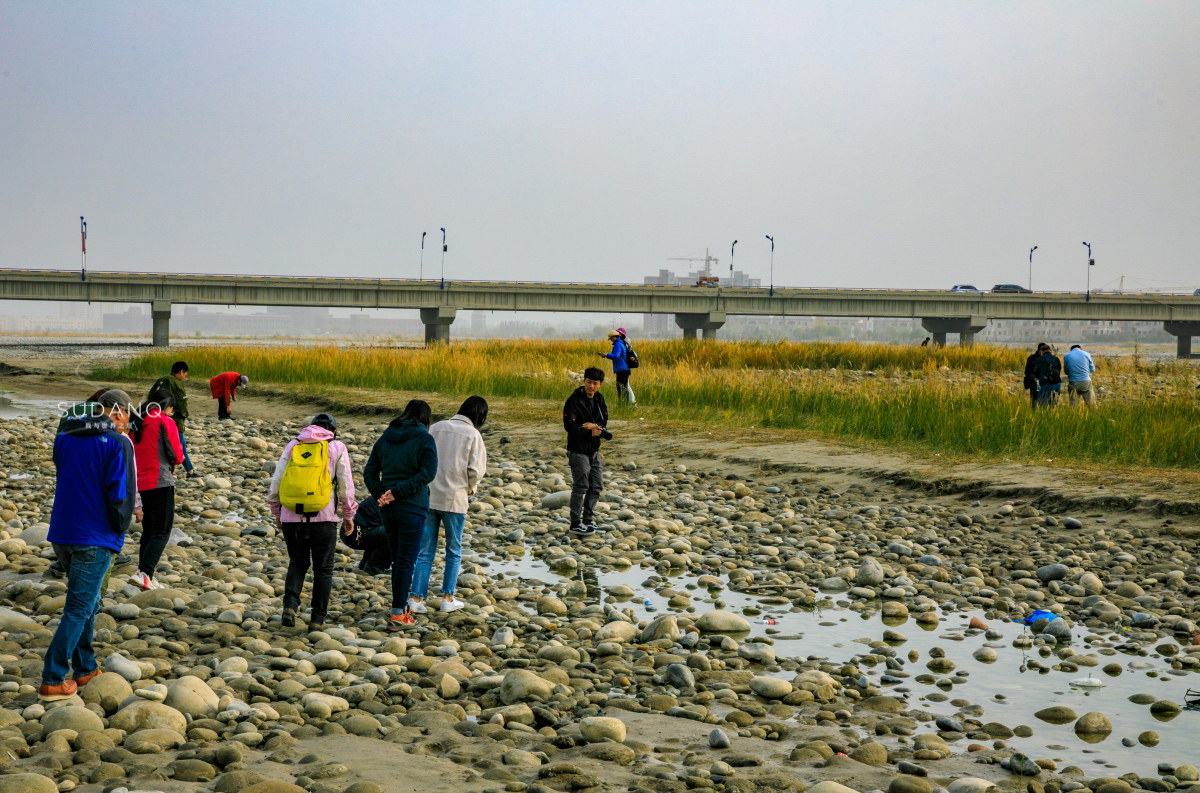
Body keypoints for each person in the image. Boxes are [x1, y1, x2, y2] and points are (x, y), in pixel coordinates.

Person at [40, 390, 139, 701]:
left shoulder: (64, 437)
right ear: (119, 412)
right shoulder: (118, 442)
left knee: (88, 602)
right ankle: (53, 677)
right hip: (94, 535)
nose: (128, 425)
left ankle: (85, 667)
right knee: (79, 607)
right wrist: (120, 527)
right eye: (128, 418)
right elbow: (120, 491)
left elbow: (64, 471)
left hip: (62, 532)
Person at [267, 413, 356, 631]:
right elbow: (345, 486)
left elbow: (277, 481)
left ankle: (290, 607)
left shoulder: (293, 445)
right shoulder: (336, 447)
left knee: (297, 562)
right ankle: (317, 620)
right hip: (323, 518)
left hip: (291, 516)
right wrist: (348, 515)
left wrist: (277, 512)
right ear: (333, 431)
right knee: (323, 569)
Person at [410, 396, 488, 615]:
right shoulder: (473, 434)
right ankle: (447, 598)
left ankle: (415, 599)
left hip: (429, 496)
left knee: (425, 551)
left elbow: (421, 458)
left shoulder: (435, 427)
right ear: (480, 415)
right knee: (453, 551)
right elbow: (476, 470)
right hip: (455, 499)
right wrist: (470, 488)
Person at [364, 400, 438, 632]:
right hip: (412, 508)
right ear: (425, 418)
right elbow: (428, 473)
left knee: (398, 560)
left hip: (388, 510)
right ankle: (398, 615)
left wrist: (382, 494)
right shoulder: (425, 438)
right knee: (406, 561)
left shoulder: (386, 437)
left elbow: (369, 472)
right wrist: (395, 493)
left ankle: (400, 609)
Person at [130, 388, 183, 590]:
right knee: (161, 532)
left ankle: (145, 574)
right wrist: (179, 460)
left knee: (149, 531)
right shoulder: (164, 421)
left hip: (140, 482)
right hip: (160, 480)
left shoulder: (136, 420)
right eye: (171, 408)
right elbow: (176, 454)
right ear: (167, 406)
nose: (171, 412)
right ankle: (144, 572)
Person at [563, 367, 612, 536]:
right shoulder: (574, 400)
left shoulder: (599, 399)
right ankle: (575, 523)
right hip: (577, 450)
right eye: (589, 382)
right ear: (584, 381)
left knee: (596, 486)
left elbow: (604, 421)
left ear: (600, 385)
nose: (592, 386)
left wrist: (595, 426)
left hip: (594, 450)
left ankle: (588, 520)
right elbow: (570, 426)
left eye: (595, 383)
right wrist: (589, 431)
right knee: (581, 486)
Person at [150, 361, 196, 477]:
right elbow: (182, 402)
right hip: (174, 419)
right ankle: (189, 470)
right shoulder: (175, 382)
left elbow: (151, 396)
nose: (184, 376)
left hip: (156, 417)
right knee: (180, 445)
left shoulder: (161, 380)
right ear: (181, 372)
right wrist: (183, 416)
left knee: (163, 445)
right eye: (185, 374)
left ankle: (176, 470)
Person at [342, 495, 392, 575]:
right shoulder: (395, 498)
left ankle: (366, 562)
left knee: (383, 531)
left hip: (350, 534)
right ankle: (375, 566)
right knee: (397, 534)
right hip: (356, 536)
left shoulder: (385, 493)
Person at [599, 329, 632, 404]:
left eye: (611, 338)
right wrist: (608, 354)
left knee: (621, 387)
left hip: (622, 369)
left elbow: (616, 356)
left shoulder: (618, 344)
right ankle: (624, 403)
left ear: (614, 337)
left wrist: (606, 355)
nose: (610, 340)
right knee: (623, 387)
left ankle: (623, 404)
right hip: (624, 369)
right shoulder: (620, 343)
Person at [1022, 344, 1044, 409]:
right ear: (1040, 351)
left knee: (1043, 400)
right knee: (1034, 399)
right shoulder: (1031, 358)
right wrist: (1034, 378)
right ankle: (1033, 412)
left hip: (1044, 382)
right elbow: (1027, 371)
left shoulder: (1046, 358)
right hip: (1034, 383)